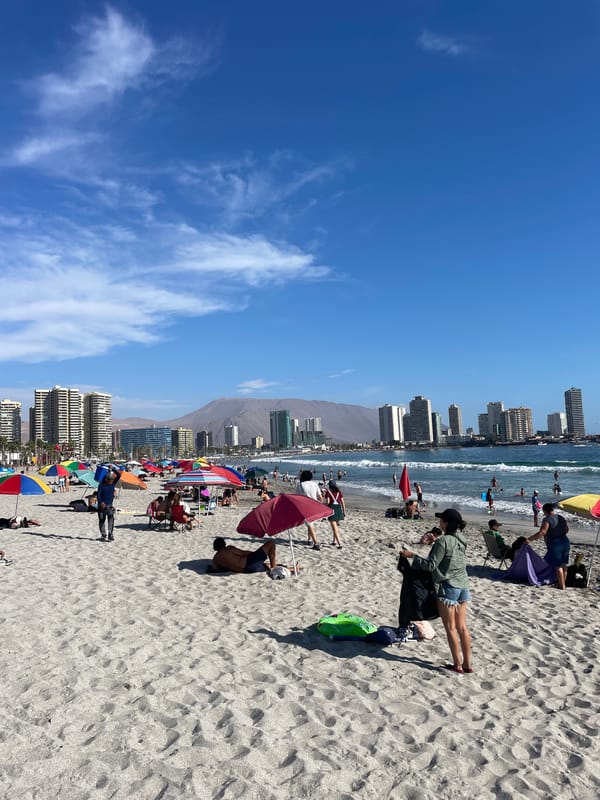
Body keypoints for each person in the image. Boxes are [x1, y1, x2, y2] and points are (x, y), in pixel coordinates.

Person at [400, 508, 472, 674]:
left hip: (448, 588)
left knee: (451, 628)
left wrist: (412, 556)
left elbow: (431, 565)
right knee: (462, 627)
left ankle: (457, 665)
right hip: (463, 586)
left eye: (441, 520)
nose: (439, 523)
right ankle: (467, 664)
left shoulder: (443, 541)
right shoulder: (462, 540)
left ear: (446, 523)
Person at [526, 503, 570, 590]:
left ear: (545, 511)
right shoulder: (561, 517)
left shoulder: (547, 519)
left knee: (558, 566)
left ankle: (562, 586)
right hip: (565, 542)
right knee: (564, 564)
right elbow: (567, 530)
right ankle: (563, 583)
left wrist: (530, 539)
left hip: (555, 544)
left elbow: (542, 532)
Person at [208, 537, 299, 575]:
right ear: (224, 544)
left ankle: (292, 569)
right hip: (249, 562)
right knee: (271, 543)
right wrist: (257, 554)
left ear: (215, 547)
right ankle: (274, 568)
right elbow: (244, 553)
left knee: (266, 565)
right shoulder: (228, 549)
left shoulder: (215, 559)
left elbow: (215, 569)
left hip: (247, 570)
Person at [298, 469, 322, 550]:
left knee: (310, 524)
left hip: (305, 507)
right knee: (310, 524)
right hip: (314, 506)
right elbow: (320, 497)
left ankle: (316, 543)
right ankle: (309, 540)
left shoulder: (300, 485)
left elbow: (296, 497)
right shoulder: (314, 484)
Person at [97, 468, 122, 542]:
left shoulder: (113, 484)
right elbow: (98, 495)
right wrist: (101, 502)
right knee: (102, 520)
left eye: (112, 480)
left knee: (111, 519)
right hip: (101, 506)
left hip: (110, 506)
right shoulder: (101, 485)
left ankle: (110, 534)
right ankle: (103, 535)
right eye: (110, 481)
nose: (111, 482)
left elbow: (119, 475)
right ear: (106, 480)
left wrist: (113, 469)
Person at [323, 480, 346, 548]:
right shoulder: (339, 492)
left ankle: (340, 544)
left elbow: (328, 502)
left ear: (329, 486)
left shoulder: (328, 492)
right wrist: (344, 512)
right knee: (335, 527)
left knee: (335, 528)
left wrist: (323, 505)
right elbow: (343, 502)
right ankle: (334, 541)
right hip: (339, 510)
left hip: (332, 510)